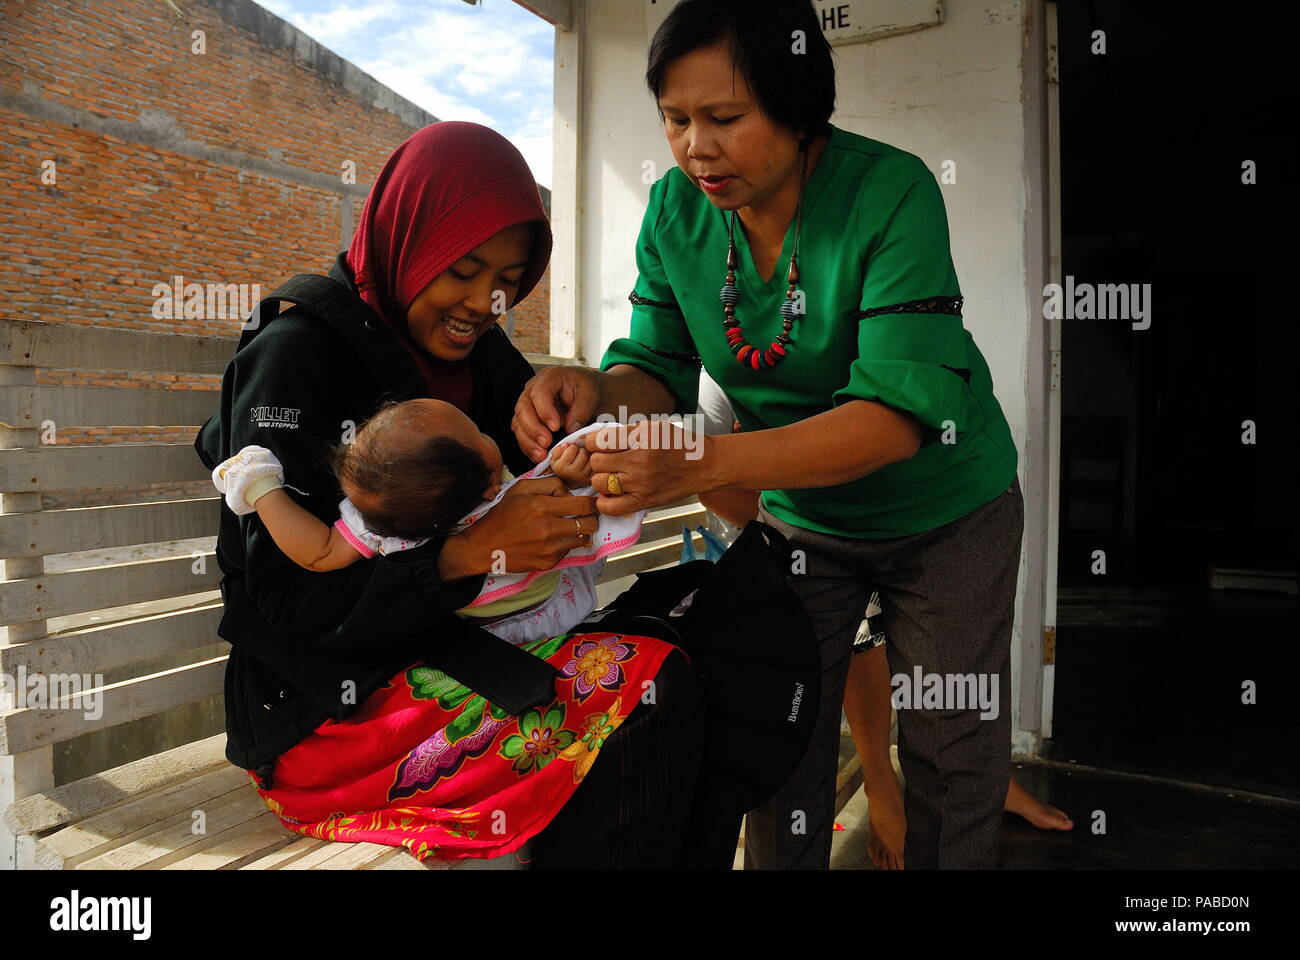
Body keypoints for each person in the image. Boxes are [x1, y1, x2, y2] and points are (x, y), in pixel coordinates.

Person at [513, 0, 1023, 869]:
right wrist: (597, 390)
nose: (694, 148)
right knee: (776, 724)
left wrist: (699, 463)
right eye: (675, 120)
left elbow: (898, 418)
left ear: (796, 107)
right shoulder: (675, 212)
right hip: (803, 522)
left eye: (725, 119)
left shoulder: (889, 191)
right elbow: (657, 369)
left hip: (949, 507)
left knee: (949, 742)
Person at [194, 121, 703, 868]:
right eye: (461, 269)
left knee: (700, 646)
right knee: (642, 691)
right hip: (326, 721)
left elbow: (520, 500)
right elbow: (288, 605)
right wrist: (468, 553)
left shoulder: (483, 357)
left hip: (453, 659)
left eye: (506, 279)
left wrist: (570, 472)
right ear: (408, 240)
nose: (483, 301)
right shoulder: (295, 358)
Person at [209, 404, 639, 645]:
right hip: (546, 612)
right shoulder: (501, 499)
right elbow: (555, 501)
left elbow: (318, 553)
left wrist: (263, 489)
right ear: (491, 481)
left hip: (480, 640)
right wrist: (564, 473)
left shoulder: (385, 522)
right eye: (477, 430)